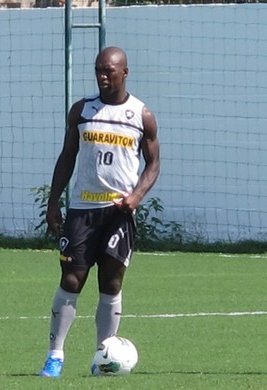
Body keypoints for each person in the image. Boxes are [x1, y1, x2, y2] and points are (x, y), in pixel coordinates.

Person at [39, 46, 160, 377]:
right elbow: (67, 156)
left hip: (118, 212)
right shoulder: (82, 110)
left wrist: (136, 196)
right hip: (82, 209)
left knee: (111, 281)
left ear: (125, 73)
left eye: (109, 71)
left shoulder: (141, 115)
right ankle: (55, 356)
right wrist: (53, 202)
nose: (103, 76)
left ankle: (104, 356)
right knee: (71, 278)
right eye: (98, 71)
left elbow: (153, 164)